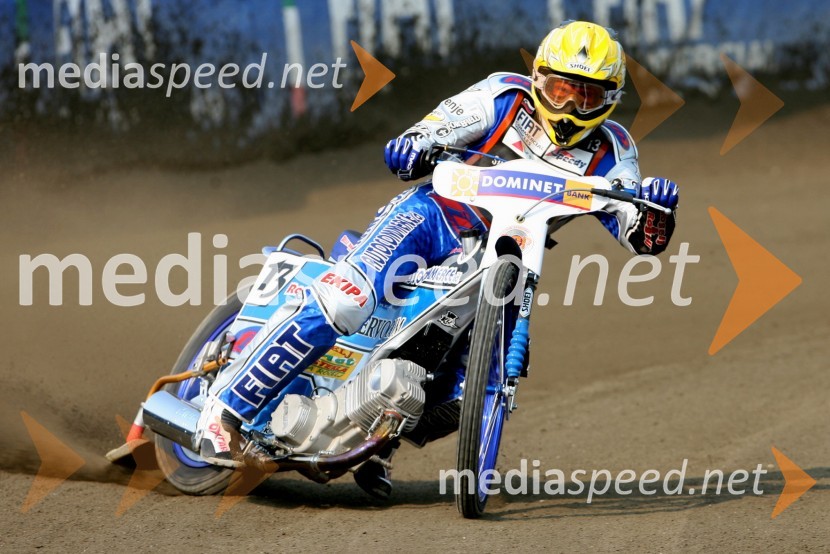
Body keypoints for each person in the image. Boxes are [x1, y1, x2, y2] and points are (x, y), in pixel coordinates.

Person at [194, 20, 679, 498]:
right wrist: (414, 146)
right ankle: (225, 410)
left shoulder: (615, 150)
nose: (571, 105)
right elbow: (434, 128)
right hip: (429, 219)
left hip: (506, 258)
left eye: (588, 96)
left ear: (610, 100)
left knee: (470, 383)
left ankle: (375, 446)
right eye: (560, 89)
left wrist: (655, 211)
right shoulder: (503, 96)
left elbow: (639, 235)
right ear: (538, 80)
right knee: (348, 301)